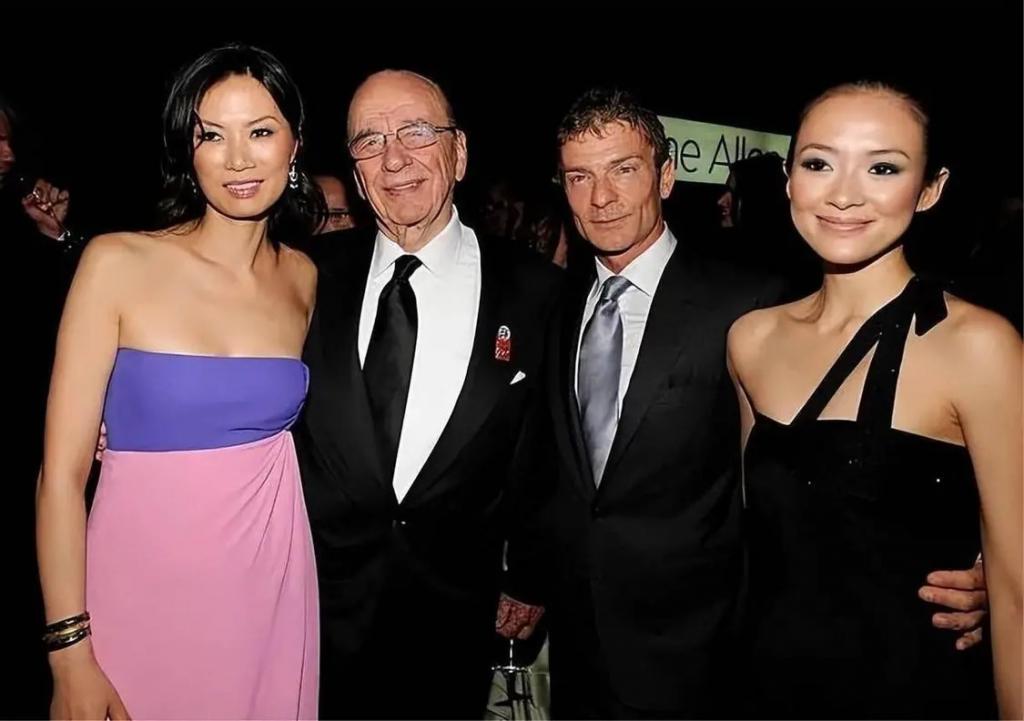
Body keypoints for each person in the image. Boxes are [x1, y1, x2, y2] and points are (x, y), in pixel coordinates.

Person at [499, 87, 993, 719]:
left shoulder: (753, 306)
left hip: (706, 652)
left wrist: (979, 560)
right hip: (579, 640)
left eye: (623, 169)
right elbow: (547, 459)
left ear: (666, 177)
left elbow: (848, 463)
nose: (602, 197)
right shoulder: (554, 303)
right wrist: (529, 577)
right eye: (579, 176)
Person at [36, 44, 323, 719]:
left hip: (270, 598)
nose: (238, 159)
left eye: (260, 131)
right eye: (211, 135)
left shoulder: (305, 278)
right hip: (135, 592)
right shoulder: (117, 263)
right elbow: (59, 478)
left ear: (295, 144)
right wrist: (68, 653)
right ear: (187, 152)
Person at [728, 81, 1021, 719]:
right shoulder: (751, 339)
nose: (844, 194)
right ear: (788, 179)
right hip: (765, 687)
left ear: (931, 189)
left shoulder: (979, 347)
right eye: (818, 163)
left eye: (882, 168)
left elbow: (1018, 593)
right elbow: (770, 538)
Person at [293, 69, 562, 719]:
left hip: (458, 618)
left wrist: (530, 574)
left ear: (459, 153)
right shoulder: (302, 277)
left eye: (416, 132)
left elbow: (550, 448)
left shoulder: (538, 293)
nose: (394, 159)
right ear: (356, 173)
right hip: (309, 611)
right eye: (370, 141)